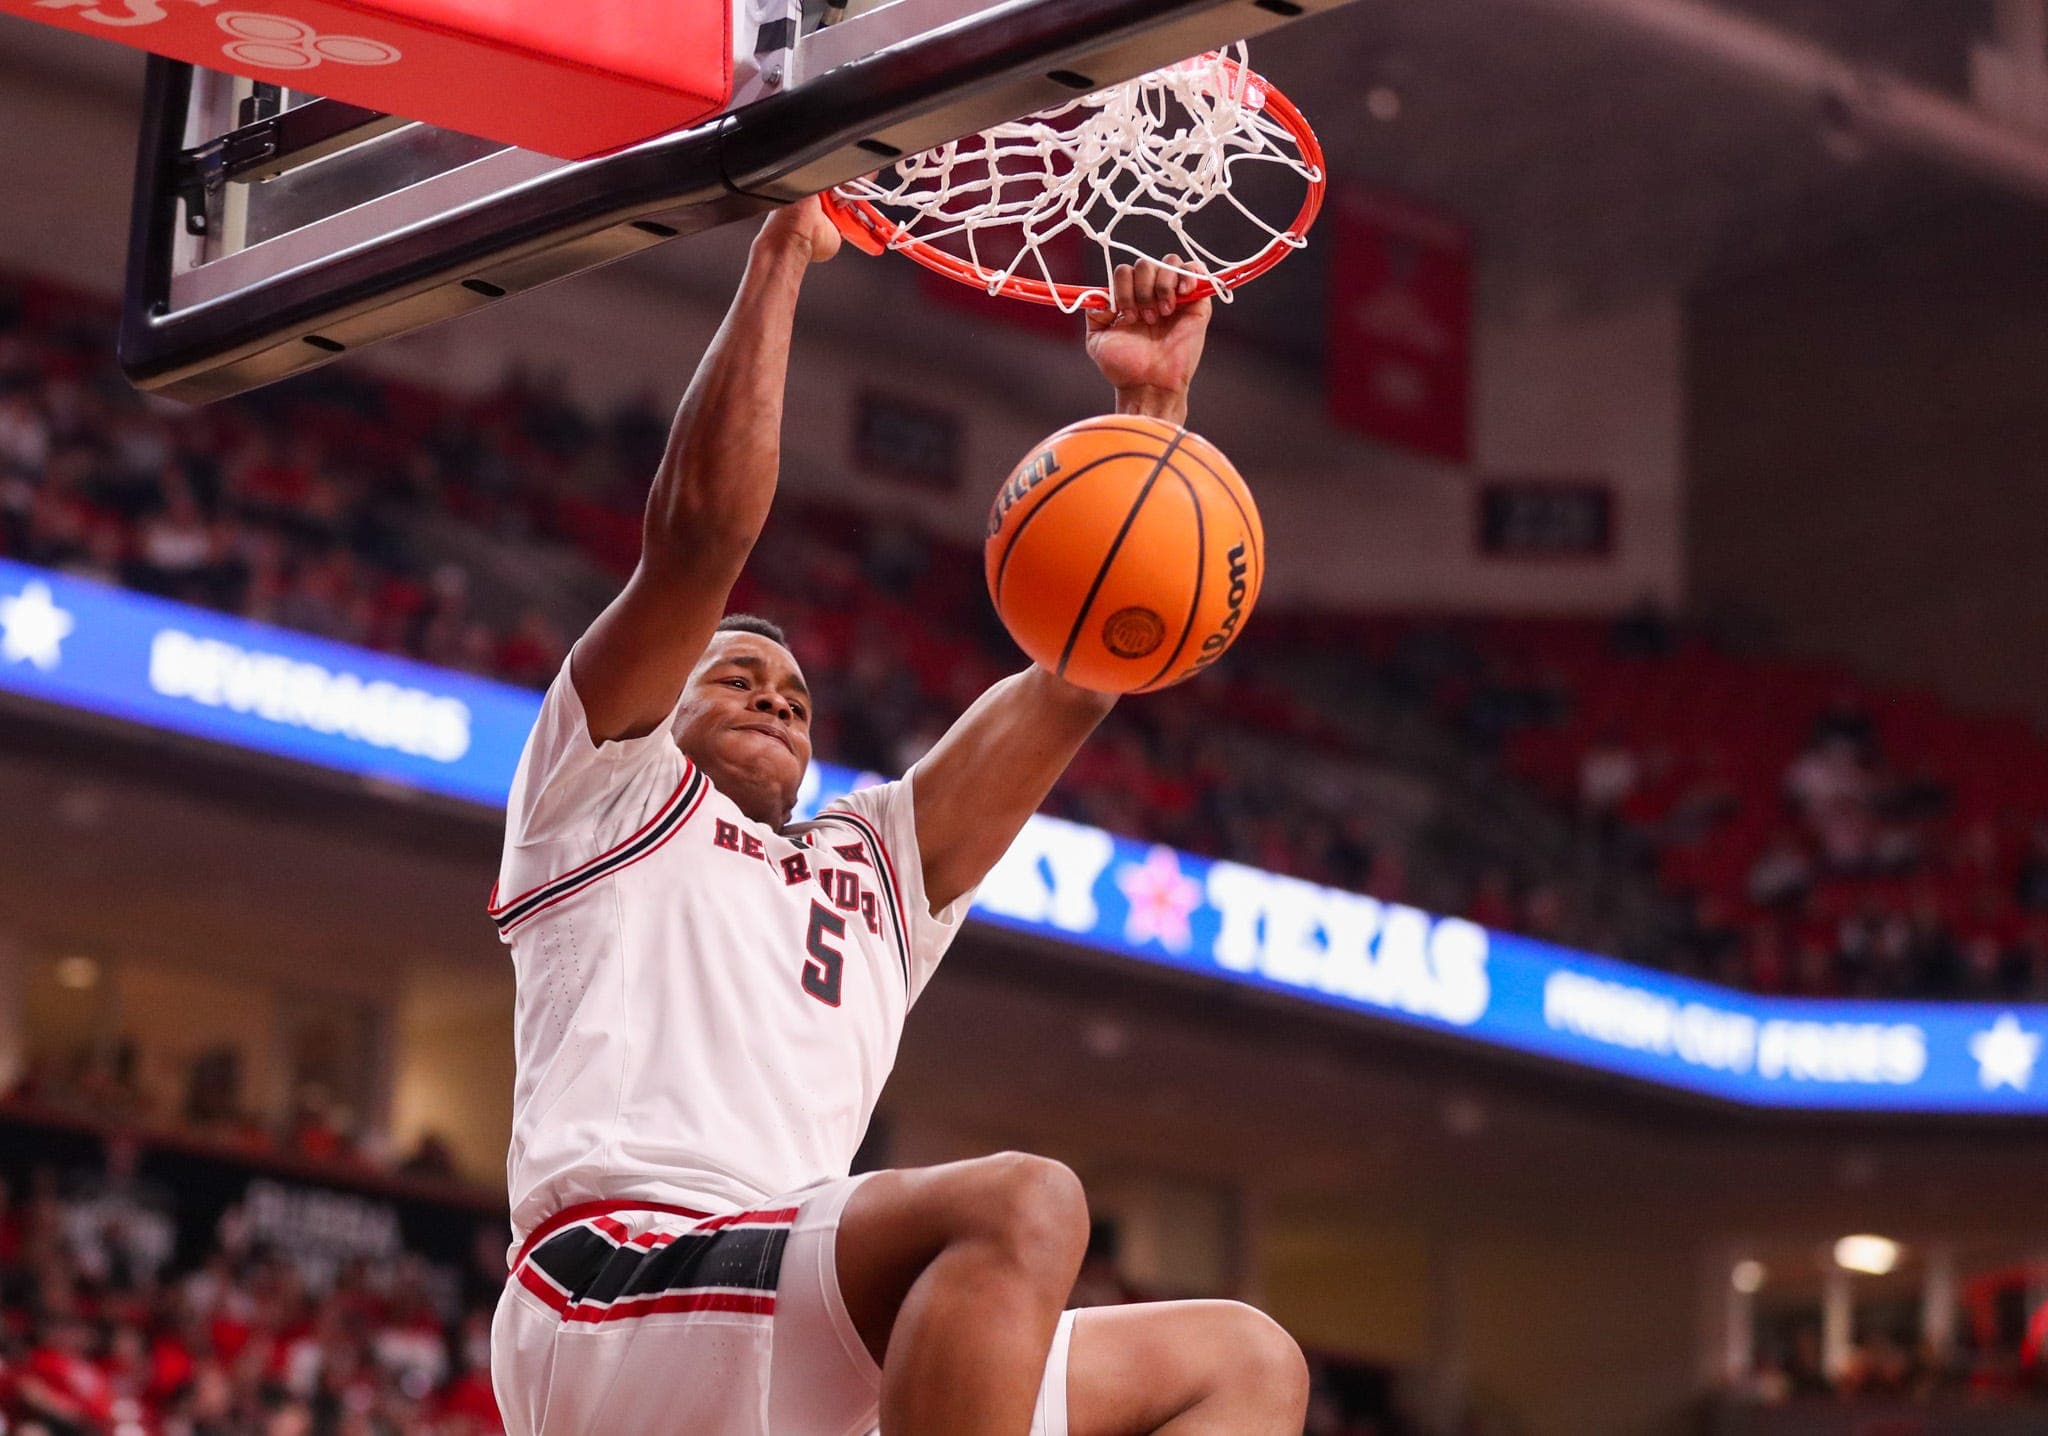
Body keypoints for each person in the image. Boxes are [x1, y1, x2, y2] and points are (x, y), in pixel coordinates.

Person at [487, 196, 1307, 1436]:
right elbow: (698, 538)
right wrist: (780, 253)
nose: (773, 691)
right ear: (666, 708)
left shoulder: (866, 863)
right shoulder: (599, 795)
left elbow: (1081, 668)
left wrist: (1146, 423)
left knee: (1242, 1361)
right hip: (618, 1287)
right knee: (1022, 1204)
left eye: (797, 695)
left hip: (800, 1312)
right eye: (735, 675)